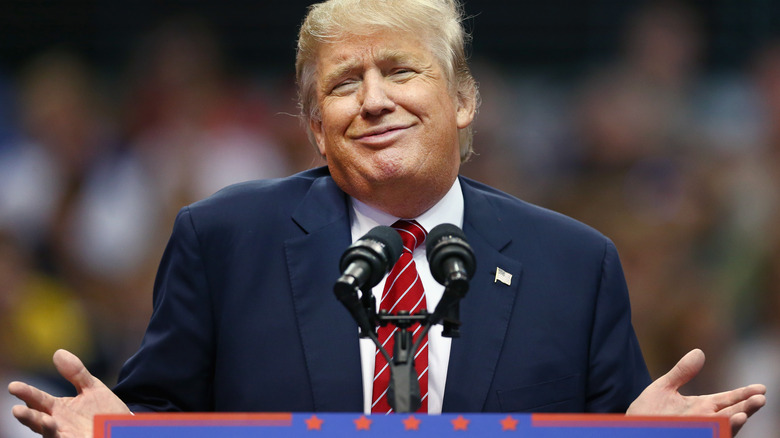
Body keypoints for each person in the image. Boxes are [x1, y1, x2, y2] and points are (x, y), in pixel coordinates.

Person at [8, 0, 766, 436]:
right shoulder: (224, 241)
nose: (374, 100)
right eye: (344, 83)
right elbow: (158, 417)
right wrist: (115, 431)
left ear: (464, 99)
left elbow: (615, 428)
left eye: (401, 71)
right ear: (314, 123)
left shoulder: (573, 261)